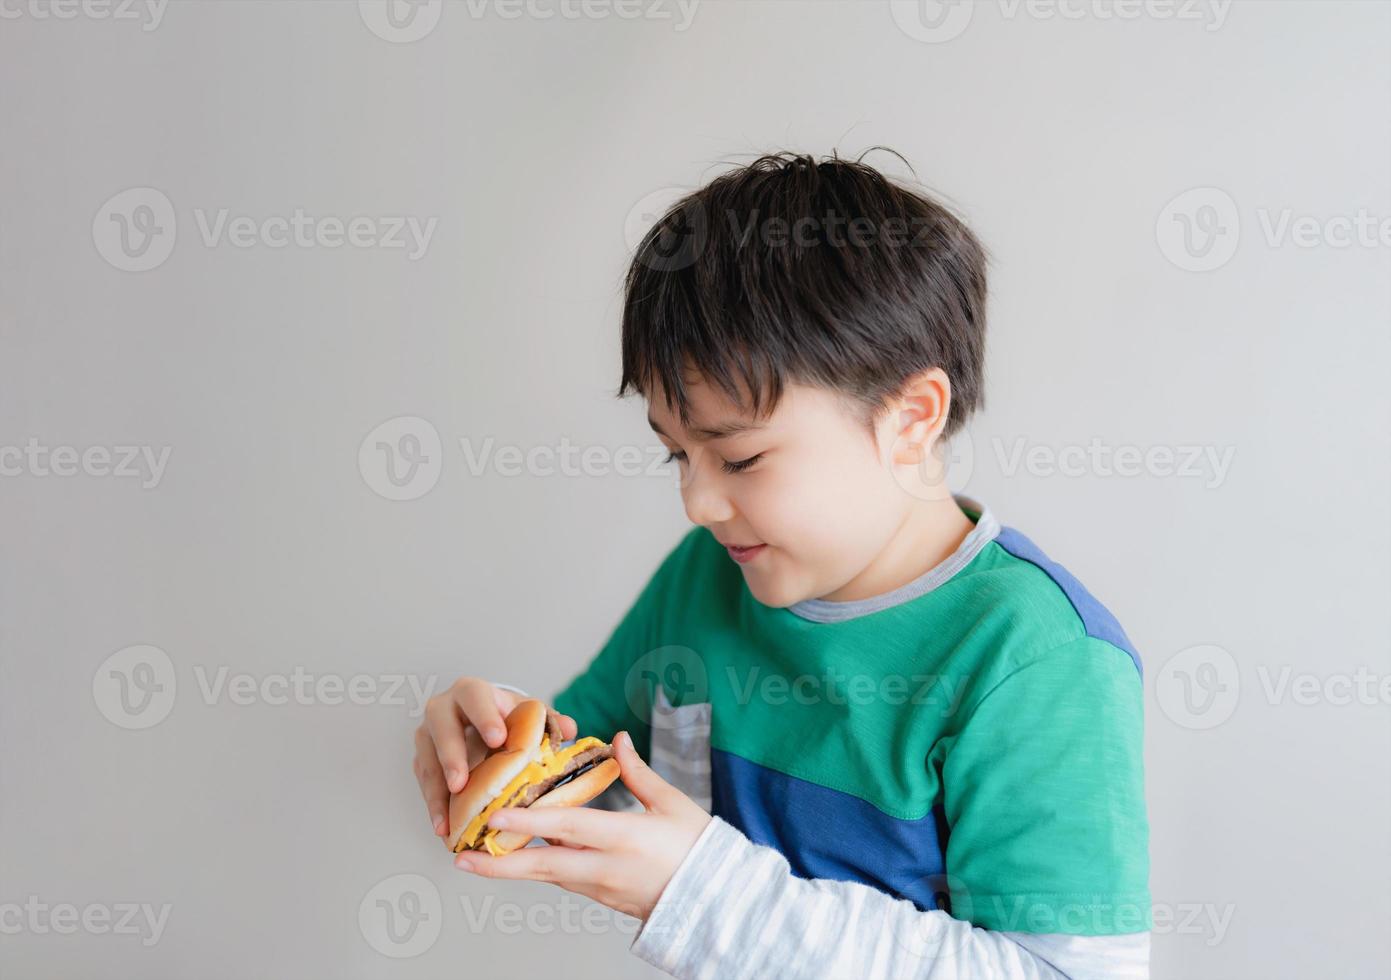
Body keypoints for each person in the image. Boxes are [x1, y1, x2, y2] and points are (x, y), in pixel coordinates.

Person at [411, 150, 1150, 979]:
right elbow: (611, 783)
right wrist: (501, 749)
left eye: (739, 459)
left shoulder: (1035, 662)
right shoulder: (706, 576)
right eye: (675, 457)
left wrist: (704, 895)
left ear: (911, 420)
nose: (696, 503)